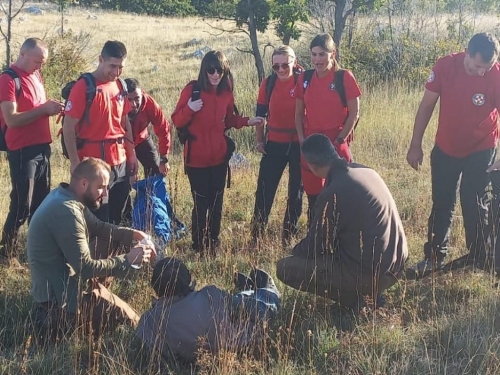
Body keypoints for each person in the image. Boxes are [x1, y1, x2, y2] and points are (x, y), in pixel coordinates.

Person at [27, 157, 153, 343]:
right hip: (60, 302)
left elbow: (100, 228)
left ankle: (97, 294)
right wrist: (128, 260)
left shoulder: (64, 195)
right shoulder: (66, 211)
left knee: (111, 239)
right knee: (136, 321)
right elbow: (85, 268)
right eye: (101, 187)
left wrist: (134, 235)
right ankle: (78, 313)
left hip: (64, 279)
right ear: (84, 183)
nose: (105, 193)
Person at [277, 134, 408, 311]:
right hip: (397, 264)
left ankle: (357, 302)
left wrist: (293, 252)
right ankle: (367, 293)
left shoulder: (334, 192)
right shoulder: (366, 171)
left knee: (285, 268)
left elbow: (314, 247)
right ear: (333, 152)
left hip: (374, 274)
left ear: (311, 166)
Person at [407, 33, 500, 276]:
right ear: (467, 52)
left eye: (487, 68)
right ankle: (435, 257)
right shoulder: (445, 65)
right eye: (478, 66)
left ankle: (480, 259)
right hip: (447, 147)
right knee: (442, 201)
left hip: (482, 148)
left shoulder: (496, 75)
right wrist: (415, 144)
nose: (482, 73)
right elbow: (427, 105)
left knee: (475, 202)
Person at [171, 50, 264, 254]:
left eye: (219, 70)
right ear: (204, 70)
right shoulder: (192, 91)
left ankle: (213, 243)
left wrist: (248, 121)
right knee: (200, 205)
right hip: (196, 160)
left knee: (216, 204)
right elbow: (177, 120)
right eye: (211, 70)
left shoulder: (226, 91)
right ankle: (198, 246)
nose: (215, 74)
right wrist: (189, 108)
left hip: (219, 159)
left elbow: (230, 119)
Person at [135, 257, 280, 363]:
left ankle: (247, 291)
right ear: (189, 280)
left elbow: (155, 354)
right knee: (260, 303)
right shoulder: (209, 295)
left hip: (193, 360)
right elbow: (256, 313)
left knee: (235, 301)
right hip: (240, 343)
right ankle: (265, 290)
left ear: (154, 286)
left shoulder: (148, 321)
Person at [0, 38, 64, 265]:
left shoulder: (36, 75)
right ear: (23, 54)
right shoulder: (8, 79)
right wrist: (43, 109)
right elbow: (12, 119)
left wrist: (51, 108)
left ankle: (37, 253)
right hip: (21, 150)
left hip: (41, 148)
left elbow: (38, 106)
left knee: (41, 204)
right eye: (37, 61)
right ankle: (7, 256)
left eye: (43, 62)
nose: (40, 66)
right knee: (21, 205)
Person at [63, 40, 138, 226]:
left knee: (117, 217)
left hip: (119, 164)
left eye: (120, 67)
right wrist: (74, 162)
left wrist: (132, 156)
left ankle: (114, 254)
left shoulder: (120, 85)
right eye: (112, 66)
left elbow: (125, 123)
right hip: (93, 166)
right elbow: (68, 126)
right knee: (98, 220)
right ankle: (95, 255)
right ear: (100, 59)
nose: (116, 72)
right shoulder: (84, 86)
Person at [295, 33, 361, 223]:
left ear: (333, 54)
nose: (317, 59)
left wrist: (340, 139)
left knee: (341, 194)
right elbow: (299, 113)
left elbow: (354, 113)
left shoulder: (343, 77)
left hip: (335, 143)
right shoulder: (305, 78)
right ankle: (315, 242)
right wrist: (301, 140)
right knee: (314, 198)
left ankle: (341, 241)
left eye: (322, 54)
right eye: (314, 55)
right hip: (311, 144)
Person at [250, 46, 303, 246]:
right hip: (274, 143)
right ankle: (256, 236)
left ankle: (288, 238)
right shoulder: (268, 83)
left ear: (294, 63)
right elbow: (260, 116)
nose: (280, 69)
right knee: (264, 190)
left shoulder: (303, 81)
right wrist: (259, 140)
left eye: (285, 65)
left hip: (299, 144)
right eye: (275, 66)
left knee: (296, 193)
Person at [125, 78, 171, 177]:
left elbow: (163, 129)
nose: (133, 104)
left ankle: (150, 192)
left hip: (142, 138)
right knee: (124, 178)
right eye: (129, 99)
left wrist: (164, 158)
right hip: (122, 145)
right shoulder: (116, 106)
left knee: (156, 171)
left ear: (142, 94)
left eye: (137, 98)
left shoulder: (150, 104)